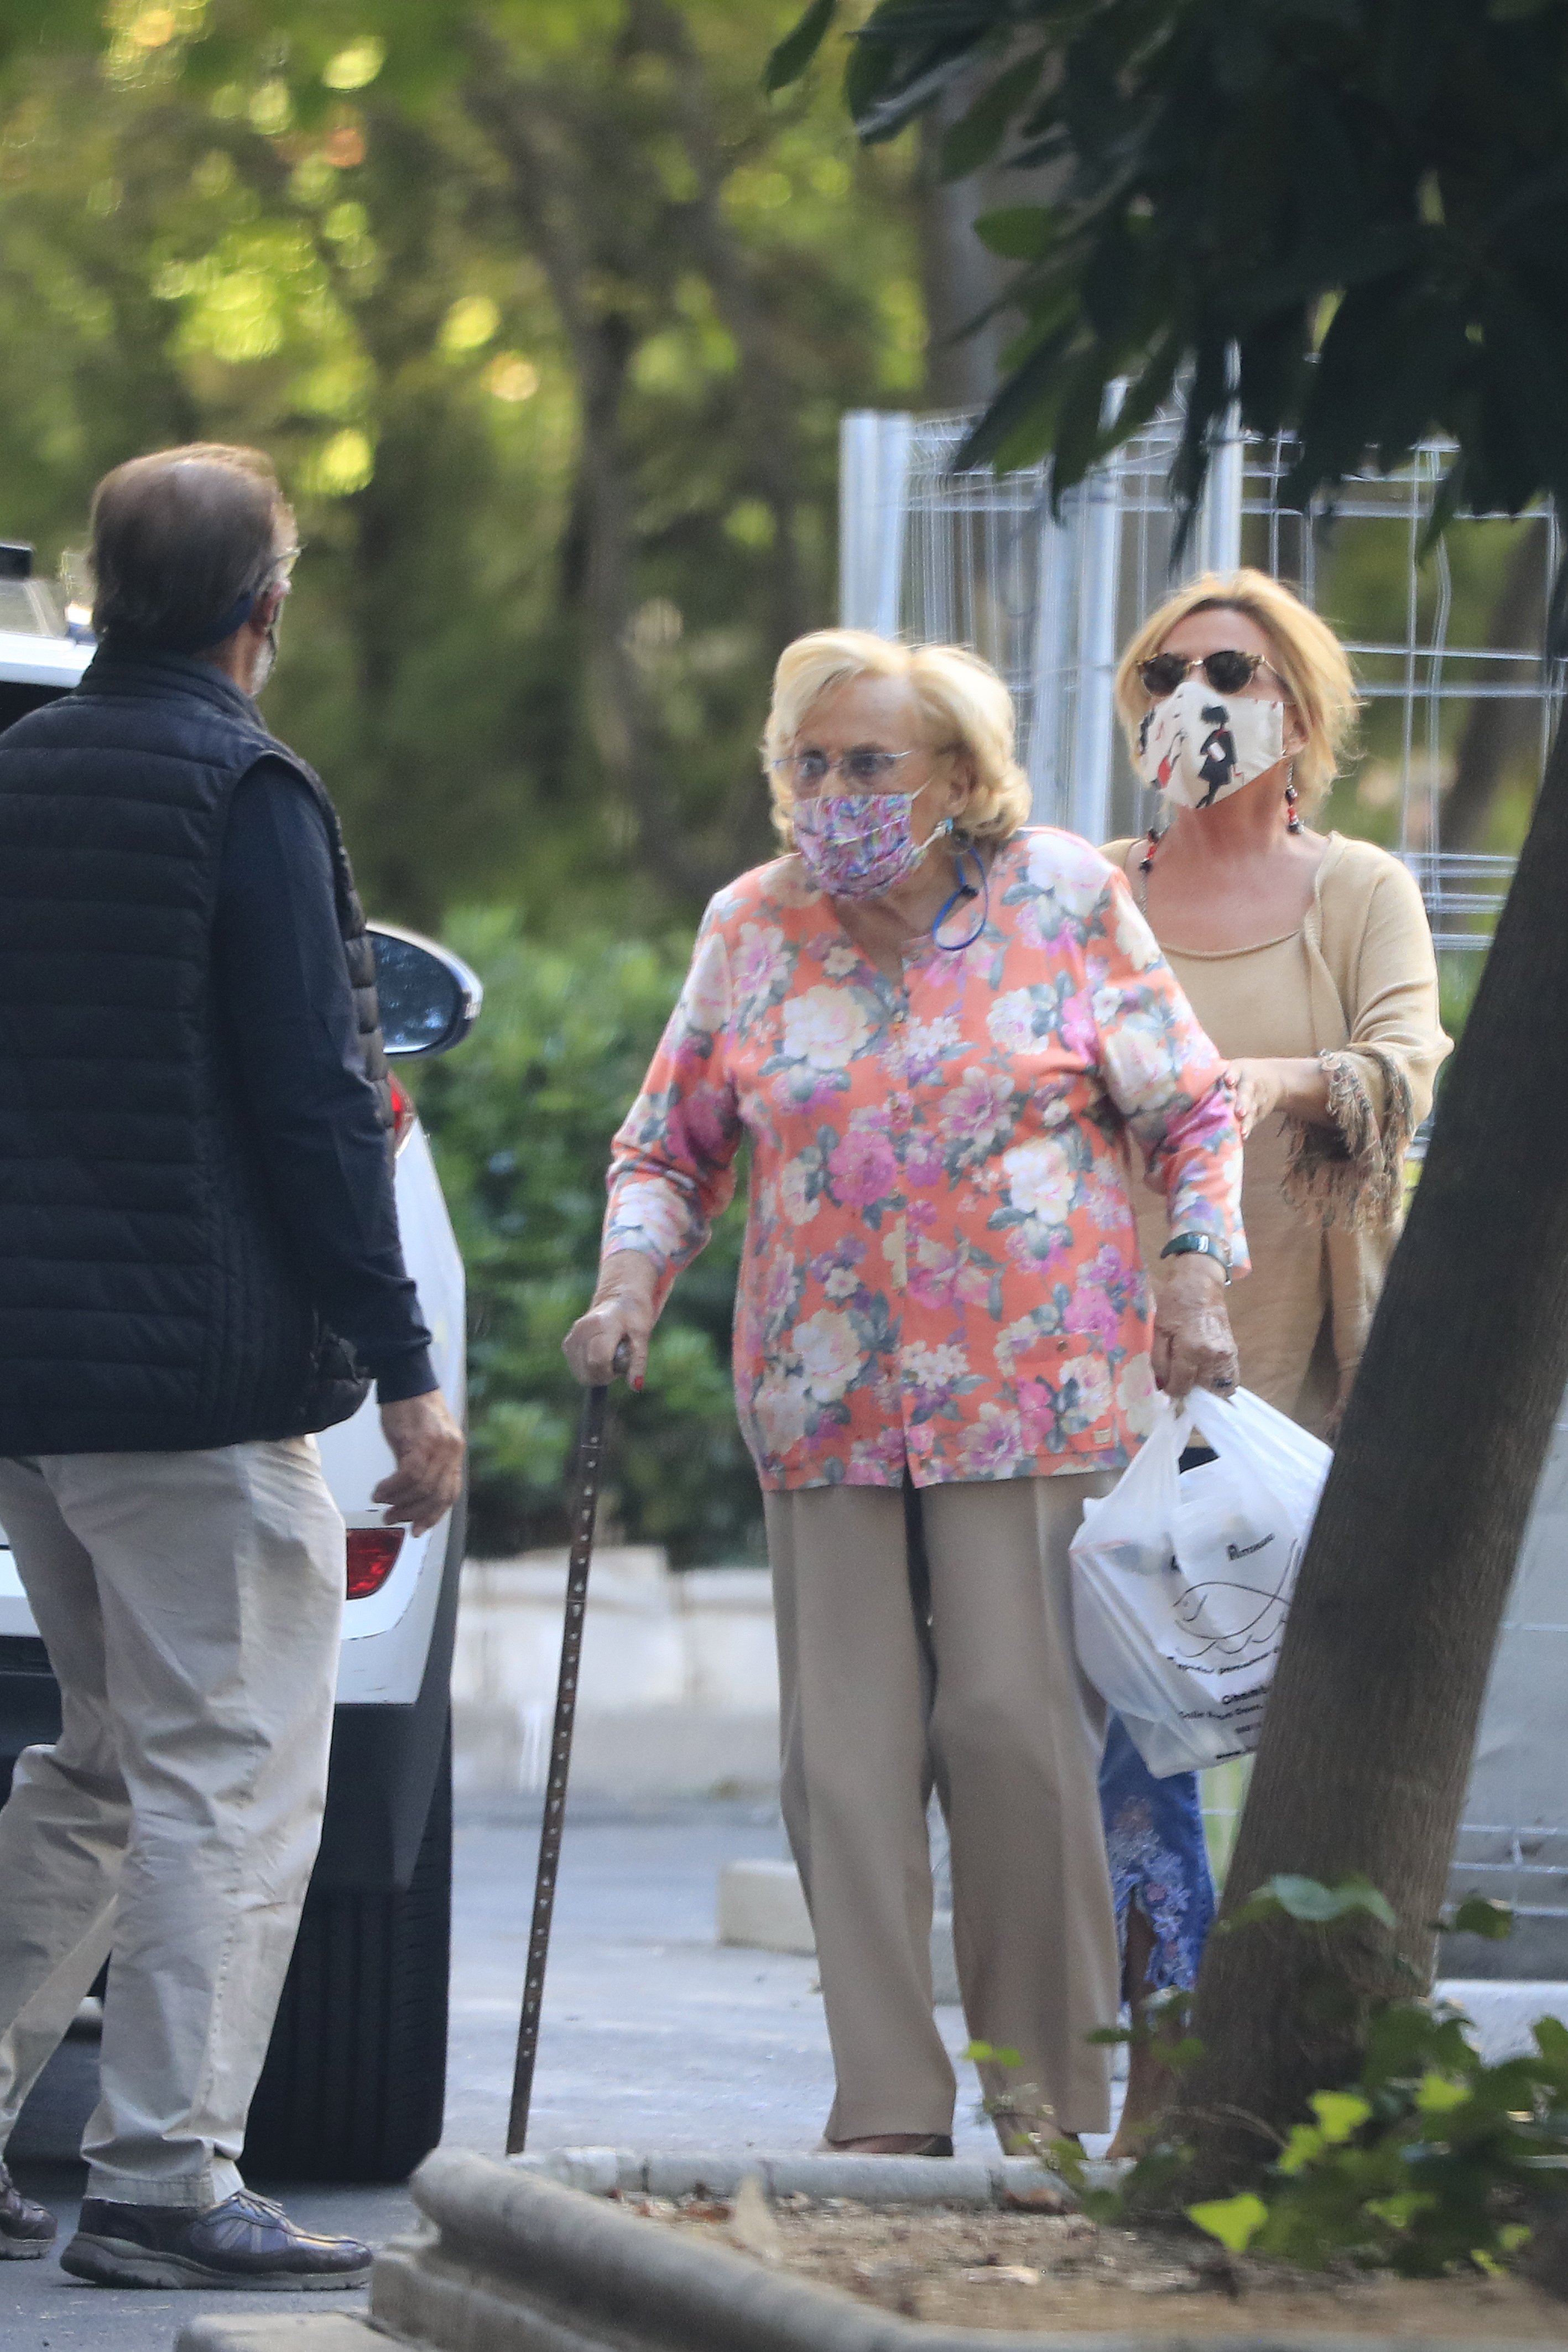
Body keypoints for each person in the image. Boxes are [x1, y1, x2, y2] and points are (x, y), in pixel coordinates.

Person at [565, 629, 1247, 2157]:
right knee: (843, 1763)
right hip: (820, 1402)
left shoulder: (1062, 896)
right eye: (807, 762)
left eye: (868, 762)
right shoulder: (752, 925)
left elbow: (1190, 1106)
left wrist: (1195, 1266)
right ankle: (883, 2106)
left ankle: (1052, 2105)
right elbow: (666, 1148)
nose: (832, 792)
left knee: (1013, 1735)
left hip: (1029, 1393)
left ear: (957, 774)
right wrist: (626, 1286)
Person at [0, 445, 465, 2286]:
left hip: (30, 1393)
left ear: (111, 590)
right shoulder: (251, 793)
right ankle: (165, 2179)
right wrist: (405, 1369)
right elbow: (314, 1104)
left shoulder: (13, 775)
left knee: (99, 1759)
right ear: (267, 606)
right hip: (194, 1396)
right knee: (233, 1772)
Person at [1097, 568, 1451, 2152]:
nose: (1195, 694)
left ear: (1296, 706)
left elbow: (1406, 1059)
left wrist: (1263, 1082)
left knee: (1291, 1729)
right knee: (1133, 1733)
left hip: (1298, 1383)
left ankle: (1302, 2076)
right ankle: (1153, 2078)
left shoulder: (1355, 885)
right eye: (1166, 671)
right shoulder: (1093, 889)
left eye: (1230, 667)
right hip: (1108, 1372)